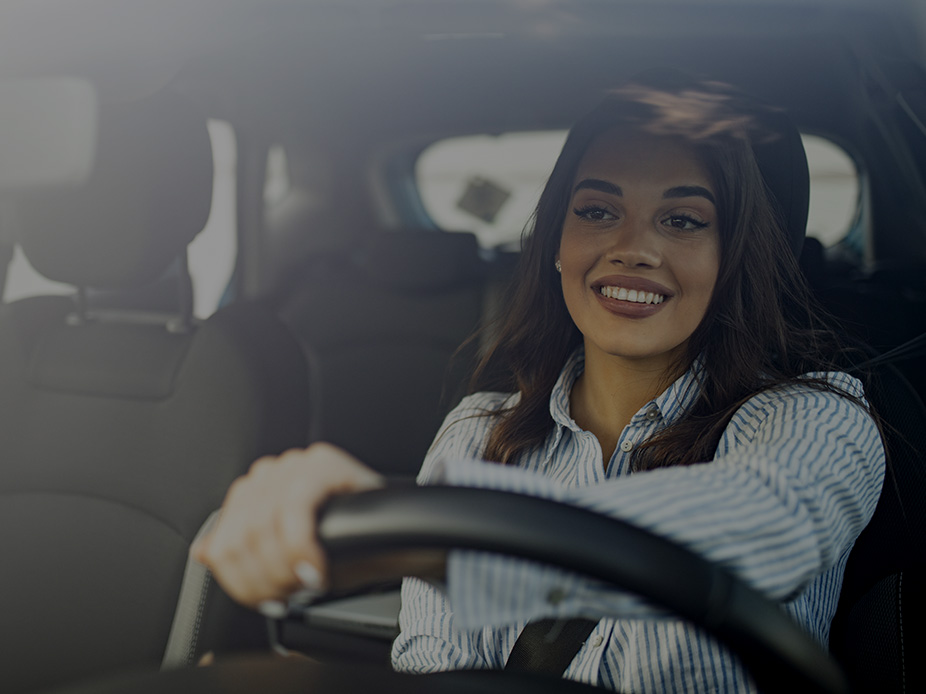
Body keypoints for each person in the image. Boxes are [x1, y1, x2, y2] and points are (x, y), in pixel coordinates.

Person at [192, 75, 885, 692]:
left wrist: (439, 544)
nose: (632, 248)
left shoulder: (816, 417)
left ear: (731, 255)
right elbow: (434, 668)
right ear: (556, 242)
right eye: (597, 210)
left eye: (682, 220)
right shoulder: (477, 432)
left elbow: (770, 527)